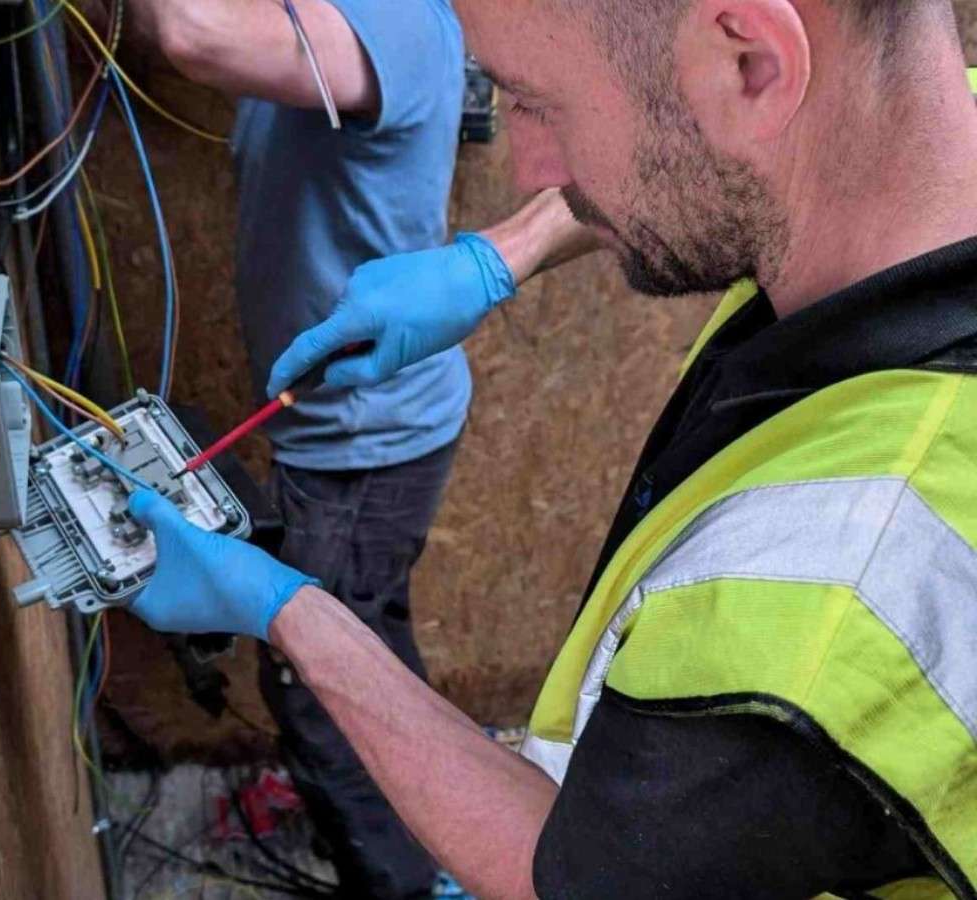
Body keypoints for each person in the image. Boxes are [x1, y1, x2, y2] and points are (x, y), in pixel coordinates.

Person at [126, 0, 977, 896]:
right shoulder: (924, 131)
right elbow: (690, 137)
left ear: (749, 65)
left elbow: (557, 877)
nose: (526, 162)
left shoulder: (835, 607)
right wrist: (500, 256)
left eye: (536, 101)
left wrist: (293, 611)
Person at [100, 0, 489, 895]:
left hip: (367, 440)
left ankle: (403, 883)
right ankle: (434, 838)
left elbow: (195, 36)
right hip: (349, 431)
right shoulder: (323, 23)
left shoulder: (395, 20)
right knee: (369, 640)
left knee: (321, 691)